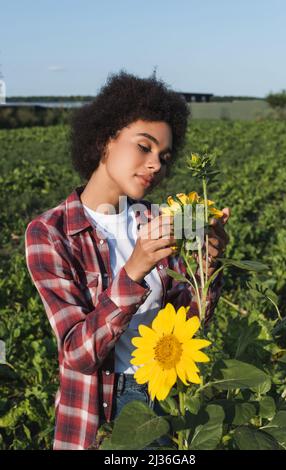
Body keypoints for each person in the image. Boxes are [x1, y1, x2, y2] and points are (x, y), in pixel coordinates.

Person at [25, 70, 230, 450]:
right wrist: (134, 271)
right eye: (144, 147)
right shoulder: (50, 232)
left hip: (168, 392)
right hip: (102, 407)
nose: (156, 165)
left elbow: (190, 320)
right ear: (105, 139)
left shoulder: (159, 220)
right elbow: (77, 355)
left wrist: (208, 266)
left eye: (164, 156)